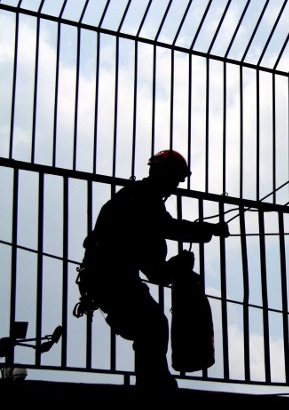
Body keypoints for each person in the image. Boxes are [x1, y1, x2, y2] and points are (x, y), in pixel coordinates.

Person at [75, 150, 230, 390]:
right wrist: (208, 231)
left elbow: (155, 268)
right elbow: (167, 229)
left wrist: (177, 265)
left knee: (151, 325)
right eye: (174, 181)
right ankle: (154, 384)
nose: (173, 188)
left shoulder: (139, 199)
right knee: (153, 325)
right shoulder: (140, 198)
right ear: (162, 175)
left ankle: (153, 381)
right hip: (110, 276)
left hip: (110, 276)